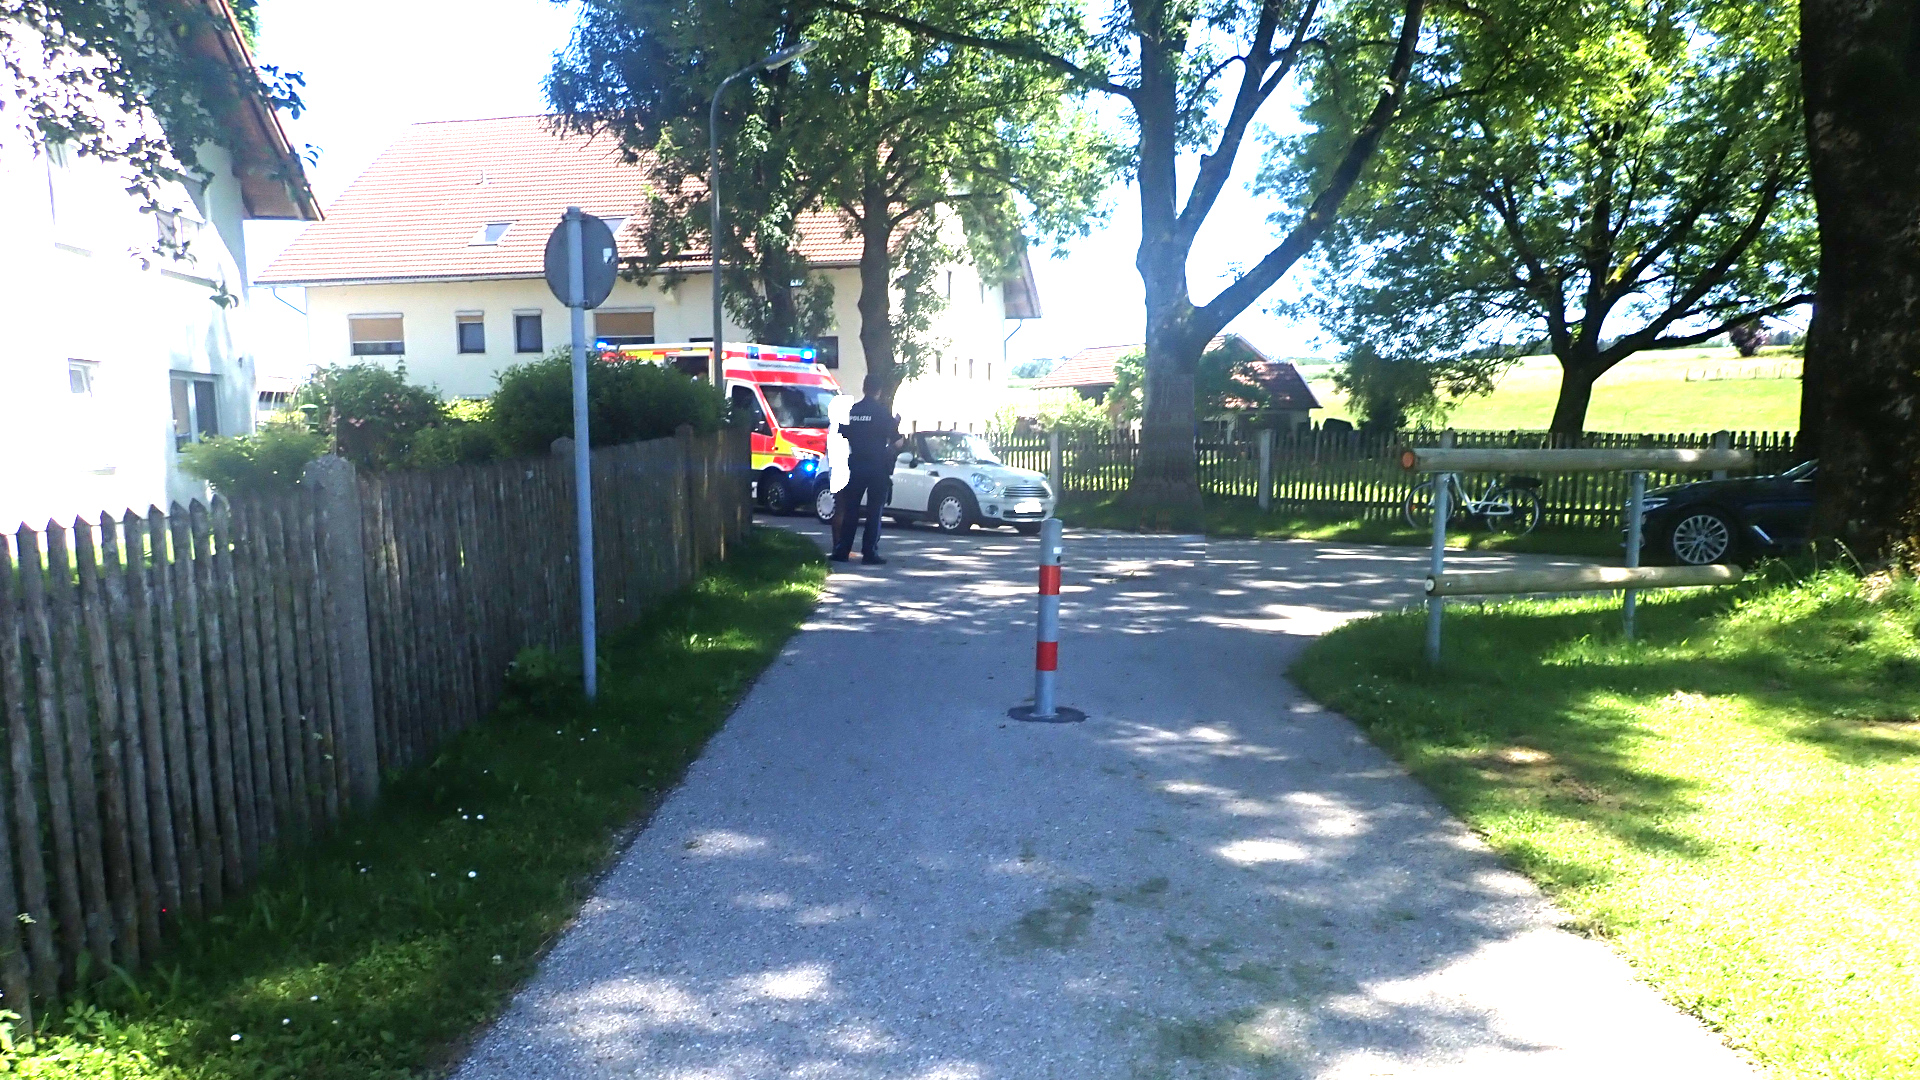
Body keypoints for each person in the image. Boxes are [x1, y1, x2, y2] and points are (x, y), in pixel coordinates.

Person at [830, 374, 903, 565]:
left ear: (864, 388)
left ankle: (842, 550)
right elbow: (898, 442)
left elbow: (842, 435)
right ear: (878, 391)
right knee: (874, 511)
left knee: (851, 510)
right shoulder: (882, 413)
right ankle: (869, 553)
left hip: (855, 467)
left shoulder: (853, 411)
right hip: (877, 468)